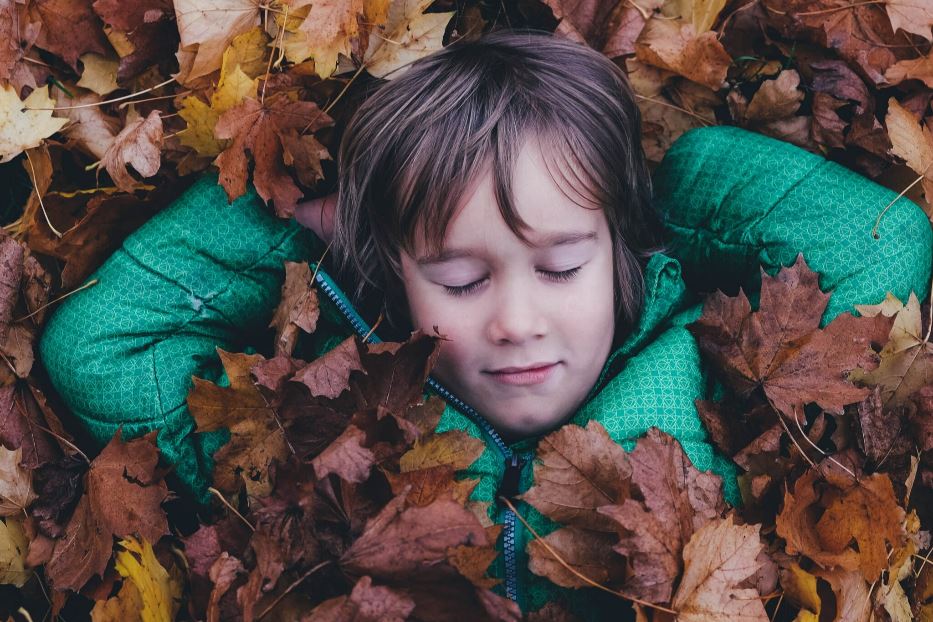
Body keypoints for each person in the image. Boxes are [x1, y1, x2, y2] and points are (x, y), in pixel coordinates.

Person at [38, 29, 932, 618]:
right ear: (395, 278)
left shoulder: (720, 382)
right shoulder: (319, 431)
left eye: (561, 265)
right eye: (461, 278)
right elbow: (98, 346)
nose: (517, 319)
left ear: (618, 250)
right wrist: (293, 215)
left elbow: (881, 242)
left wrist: (662, 191)